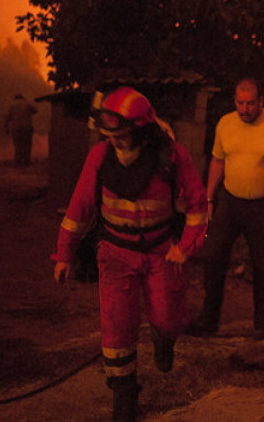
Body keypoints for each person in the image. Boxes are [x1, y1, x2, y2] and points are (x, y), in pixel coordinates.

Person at [52, 87, 207, 422]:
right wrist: (64, 254)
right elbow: (79, 208)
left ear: (140, 130)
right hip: (115, 253)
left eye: (121, 135)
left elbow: (197, 205)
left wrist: (187, 246)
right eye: (110, 135)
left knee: (167, 316)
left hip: (161, 252)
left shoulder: (172, 156)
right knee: (117, 325)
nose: (115, 141)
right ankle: (124, 395)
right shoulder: (99, 157)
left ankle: (164, 337)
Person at [188, 78, 264, 340]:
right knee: (213, 254)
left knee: (263, 265)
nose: (245, 109)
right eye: (240, 103)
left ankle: (263, 325)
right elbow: (218, 161)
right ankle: (209, 320)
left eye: (250, 103)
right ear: (235, 102)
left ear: (260, 102)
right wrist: (208, 197)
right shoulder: (225, 124)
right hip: (230, 201)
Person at [5, 93, 38, 166]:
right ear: (23, 98)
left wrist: (6, 128)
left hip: (16, 128)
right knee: (27, 145)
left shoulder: (12, 106)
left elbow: (8, 118)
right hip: (27, 127)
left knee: (18, 145)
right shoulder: (27, 104)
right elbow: (35, 111)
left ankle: (18, 161)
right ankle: (26, 161)